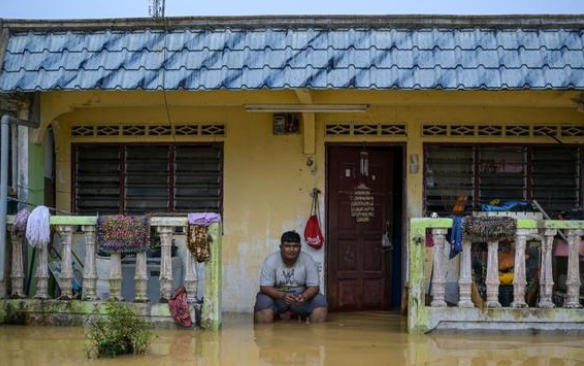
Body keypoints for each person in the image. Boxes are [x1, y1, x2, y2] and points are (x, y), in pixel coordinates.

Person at [254, 231, 327, 324]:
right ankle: (265, 335)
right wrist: (282, 295)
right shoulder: (271, 260)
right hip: (277, 298)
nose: (291, 250)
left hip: (300, 300)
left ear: (300, 248)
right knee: (262, 302)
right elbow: (264, 287)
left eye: (295, 246)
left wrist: (304, 296)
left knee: (320, 302)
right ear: (281, 247)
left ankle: (314, 336)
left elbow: (315, 287)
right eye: (287, 246)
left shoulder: (307, 260)